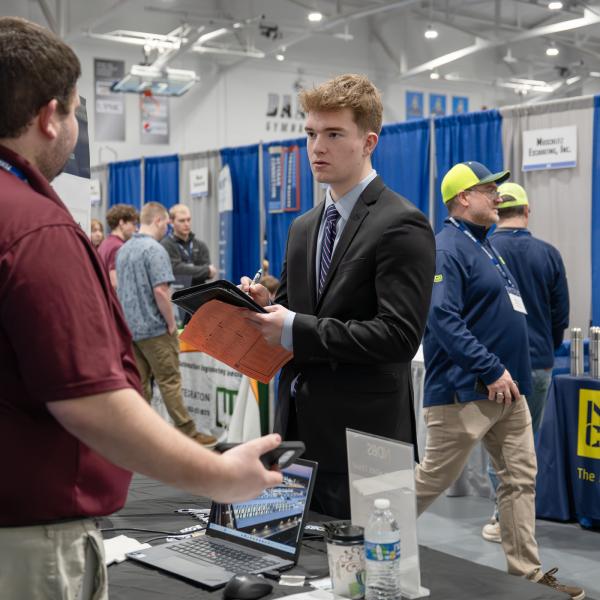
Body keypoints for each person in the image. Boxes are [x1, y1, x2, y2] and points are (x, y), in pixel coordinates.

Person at [0, 17, 282, 599]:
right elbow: (91, 405)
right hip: (28, 542)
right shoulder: (35, 226)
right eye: (77, 112)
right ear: (51, 116)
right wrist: (221, 475)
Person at [241, 74, 436, 519]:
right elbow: (293, 318)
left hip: (368, 441)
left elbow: (399, 336)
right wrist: (259, 311)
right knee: (294, 577)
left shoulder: (401, 223)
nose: (316, 148)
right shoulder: (303, 227)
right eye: (310, 134)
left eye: (333, 134)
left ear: (368, 141)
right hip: (296, 435)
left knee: (370, 579)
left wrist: (292, 326)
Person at [415, 161, 583, 600]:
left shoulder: (485, 245)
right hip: (465, 391)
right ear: (463, 198)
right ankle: (362, 537)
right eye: (489, 189)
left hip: (510, 391)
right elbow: (442, 317)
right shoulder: (448, 248)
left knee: (521, 479)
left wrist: (508, 374)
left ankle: (526, 576)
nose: (498, 197)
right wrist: (489, 368)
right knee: (431, 479)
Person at [482, 182, 570, 543]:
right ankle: (520, 516)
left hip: (493, 368)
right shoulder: (548, 254)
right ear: (527, 211)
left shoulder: (482, 252)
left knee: (497, 443)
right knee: (525, 442)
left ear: (495, 209)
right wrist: (544, 354)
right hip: (538, 364)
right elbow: (559, 314)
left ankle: (504, 517)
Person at [116, 202, 218, 448]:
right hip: (156, 329)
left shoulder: (124, 249)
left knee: (139, 385)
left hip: (130, 329)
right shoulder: (156, 249)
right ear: (160, 221)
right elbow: (161, 291)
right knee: (170, 382)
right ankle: (189, 434)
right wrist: (171, 323)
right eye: (167, 223)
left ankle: (139, 435)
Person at [161, 203, 216, 286]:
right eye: (182, 221)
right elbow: (176, 270)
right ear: (171, 222)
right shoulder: (166, 244)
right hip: (176, 294)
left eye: (188, 220)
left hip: (199, 292)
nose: (186, 224)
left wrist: (187, 270)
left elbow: (210, 274)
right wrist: (204, 270)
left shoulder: (200, 245)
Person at [98, 202, 139, 288]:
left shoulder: (105, 243)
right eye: (133, 224)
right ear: (122, 223)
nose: (136, 228)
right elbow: (115, 282)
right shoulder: (118, 247)